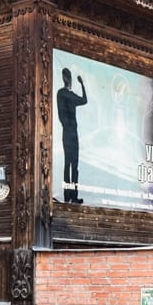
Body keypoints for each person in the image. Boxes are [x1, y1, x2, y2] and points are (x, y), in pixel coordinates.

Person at [56, 67, 88, 203]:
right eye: (67, 77)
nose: (68, 80)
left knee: (74, 166)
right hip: (68, 132)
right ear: (65, 78)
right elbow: (61, 114)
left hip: (73, 133)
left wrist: (82, 84)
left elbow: (84, 100)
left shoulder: (70, 94)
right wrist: (66, 125)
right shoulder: (62, 93)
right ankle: (67, 195)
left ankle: (73, 196)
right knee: (68, 164)